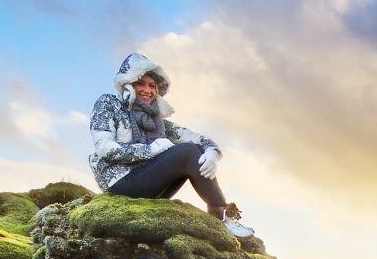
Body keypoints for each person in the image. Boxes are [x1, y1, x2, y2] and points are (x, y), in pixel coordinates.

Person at [88, 52, 254, 238]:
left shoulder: (159, 123)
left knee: (196, 150)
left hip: (148, 184)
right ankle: (220, 213)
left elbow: (197, 138)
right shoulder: (109, 104)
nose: (147, 90)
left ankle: (222, 215)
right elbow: (103, 148)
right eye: (140, 83)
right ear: (127, 84)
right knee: (187, 153)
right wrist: (150, 150)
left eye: (152, 86)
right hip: (120, 182)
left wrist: (212, 152)